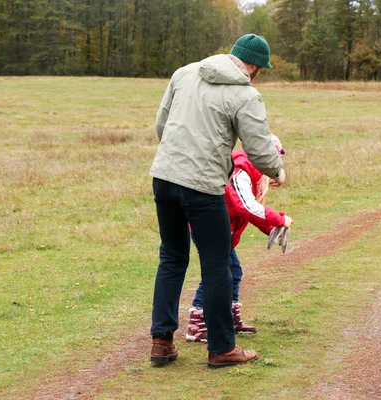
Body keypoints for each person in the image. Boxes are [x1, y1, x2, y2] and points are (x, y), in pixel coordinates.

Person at [149, 34, 286, 369]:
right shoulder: (245, 94)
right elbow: (257, 147)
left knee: (172, 257)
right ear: (253, 66)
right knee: (216, 266)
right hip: (203, 187)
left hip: (164, 178)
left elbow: (161, 125)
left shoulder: (184, 72)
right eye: (260, 69)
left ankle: (161, 343)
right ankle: (222, 348)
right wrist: (277, 171)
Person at [187, 135, 293, 343]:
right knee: (216, 273)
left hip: (221, 229)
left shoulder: (250, 173)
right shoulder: (240, 170)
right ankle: (197, 324)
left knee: (233, 272)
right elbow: (245, 206)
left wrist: (271, 227)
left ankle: (229, 317)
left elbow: (246, 210)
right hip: (209, 227)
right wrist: (278, 219)